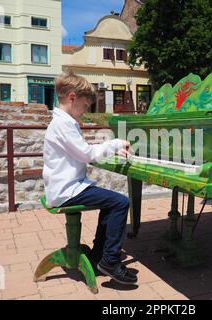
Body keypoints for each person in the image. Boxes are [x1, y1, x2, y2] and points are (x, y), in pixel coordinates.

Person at [42, 70, 137, 285]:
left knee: (111, 202)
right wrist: (115, 144)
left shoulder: (63, 121)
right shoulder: (63, 124)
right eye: (85, 106)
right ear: (72, 97)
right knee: (120, 202)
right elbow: (85, 153)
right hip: (66, 190)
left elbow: (82, 151)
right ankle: (110, 261)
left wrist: (111, 151)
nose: (85, 111)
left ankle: (98, 255)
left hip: (66, 186)